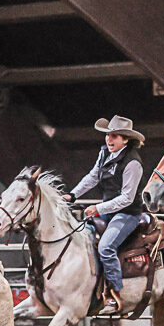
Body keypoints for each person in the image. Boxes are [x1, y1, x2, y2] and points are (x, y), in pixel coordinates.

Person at [62, 116, 147, 315]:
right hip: (110, 211)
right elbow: (92, 177)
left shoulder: (133, 162)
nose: (109, 139)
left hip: (127, 214)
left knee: (106, 247)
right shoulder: (104, 154)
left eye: (114, 136)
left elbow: (127, 198)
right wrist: (73, 194)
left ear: (126, 139)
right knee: (81, 237)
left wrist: (99, 208)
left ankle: (116, 295)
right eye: (108, 135)